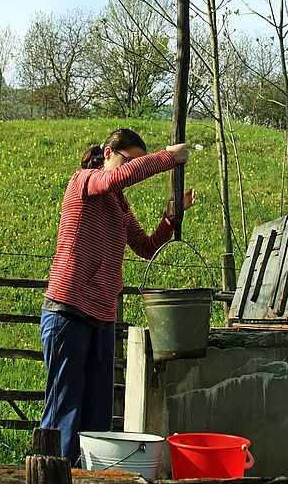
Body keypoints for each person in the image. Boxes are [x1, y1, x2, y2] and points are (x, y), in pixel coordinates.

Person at [39, 127, 195, 466]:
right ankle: (53, 482)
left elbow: (145, 246)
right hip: (68, 309)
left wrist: (169, 218)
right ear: (108, 153)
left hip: (102, 317)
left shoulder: (119, 205)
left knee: (97, 417)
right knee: (65, 411)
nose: (131, 174)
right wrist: (169, 158)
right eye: (129, 162)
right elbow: (116, 178)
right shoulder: (86, 181)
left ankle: (89, 483)